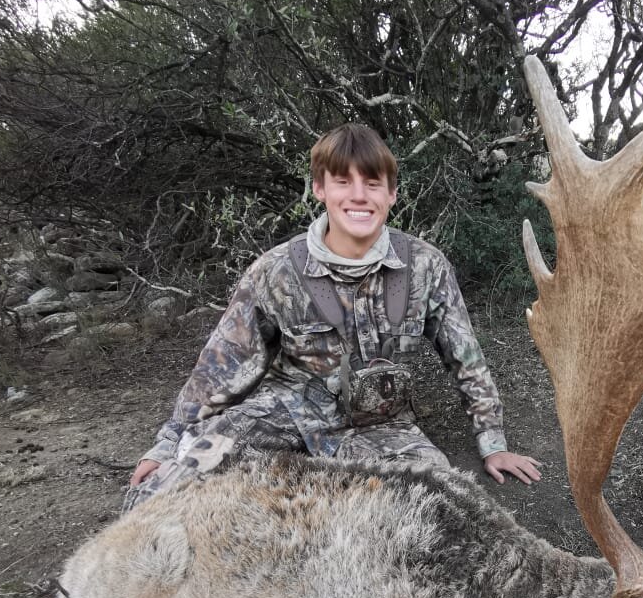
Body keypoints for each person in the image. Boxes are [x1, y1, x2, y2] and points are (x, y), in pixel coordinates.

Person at [127, 124, 541, 507]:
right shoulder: (276, 271)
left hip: (380, 426)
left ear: (392, 194)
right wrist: (168, 443)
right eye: (343, 182)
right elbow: (220, 366)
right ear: (320, 189)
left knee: (436, 506)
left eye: (372, 183)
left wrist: (493, 441)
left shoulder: (426, 267)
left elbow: (466, 358)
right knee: (167, 487)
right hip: (281, 414)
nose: (359, 196)